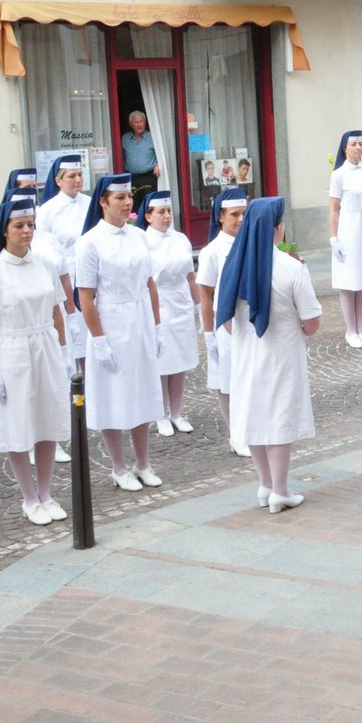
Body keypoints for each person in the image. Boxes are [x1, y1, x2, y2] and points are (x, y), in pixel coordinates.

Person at [217, 197, 322, 513]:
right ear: (278, 227)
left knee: (253, 413)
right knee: (278, 417)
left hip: (248, 355)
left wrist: (245, 338)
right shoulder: (292, 267)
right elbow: (312, 321)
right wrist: (298, 330)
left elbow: (223, 318)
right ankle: (280, 489)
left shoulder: (233, 265)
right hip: (282, 351)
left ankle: (265, 485)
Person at [0, 193, 71, 525]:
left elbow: (57, 309)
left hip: (45, 342)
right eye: (19, 225)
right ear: (5, 229)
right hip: (13, 349)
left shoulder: (44, 264)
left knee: (46, 421)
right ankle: (28, 497)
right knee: (19, 423)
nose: (27, 231)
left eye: (30, 225)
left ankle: (46, 491)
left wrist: (63, 349)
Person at [75, 173, 167, 492]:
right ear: (103, 201)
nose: (127, 202)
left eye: (129, 196)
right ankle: (118, 466)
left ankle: (143, 462)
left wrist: (156, 326)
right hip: (111, 320)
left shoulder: (139, 236)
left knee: (141, 389)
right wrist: (99, 340)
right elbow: (85, 297)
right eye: (120, 197)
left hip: (139, 315)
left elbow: (150, 284)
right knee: (113, 394)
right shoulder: (89, 243)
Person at [137, 191, 199, 439]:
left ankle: (176, 411)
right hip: (159, 303)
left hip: (181, 302)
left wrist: (198, 306)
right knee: (161, 363)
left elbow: (191, 276)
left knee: (180, 362)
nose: (166, 216)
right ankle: (160, 413)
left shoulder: (181, 238)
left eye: (168, 211)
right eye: (160, 212)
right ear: (148, 216)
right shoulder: (143, 241)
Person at [195, 186, 248, 456]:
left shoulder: (250, 242)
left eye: (243, 214)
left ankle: (248, 428)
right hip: (224, 321)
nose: (240, 219)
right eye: (234, 214)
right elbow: (205, 295)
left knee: (247, 377)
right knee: (227, 380)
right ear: (221, 217)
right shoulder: (212, 251)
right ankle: (235, 434)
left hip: (247, 320)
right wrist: (208, 334)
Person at [328, 130, 362, 346]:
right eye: (354, 144)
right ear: (345, 148)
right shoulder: (339, 175)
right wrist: (334, 238)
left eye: (361, 143)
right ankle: (350, 330)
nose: (359, 147)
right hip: (348, 226)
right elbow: (333, 209)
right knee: (349, 280)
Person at [36, 155, 91, 361]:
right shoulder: (48, 210)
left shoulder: (90, 203)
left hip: (89, 275)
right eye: (71, 176)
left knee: (91, 340)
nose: (77, 179)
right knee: (70, 339)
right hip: (64, 278)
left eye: (79, 175)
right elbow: (44, 247)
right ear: (58, 181)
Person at [121, 111, 161, 200]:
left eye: (141, 121)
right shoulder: (125, 138)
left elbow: (162, 154)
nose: (139, 124)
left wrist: (159, 163)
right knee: (133, 205)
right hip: (131, 178)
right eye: (136, 122)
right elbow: (121, 156)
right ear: (131, 124)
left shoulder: (152, 137)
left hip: (148, 177)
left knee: (148, 204)